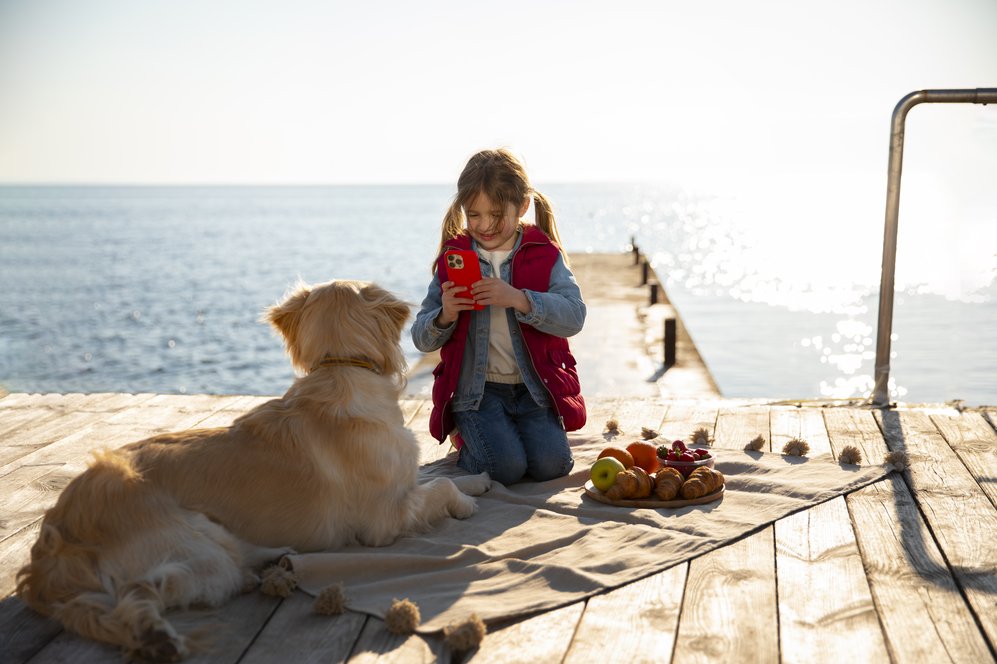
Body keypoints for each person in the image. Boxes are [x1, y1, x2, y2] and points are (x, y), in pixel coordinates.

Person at [412, 149, 587, 485]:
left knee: (552, 466)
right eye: (474, 215)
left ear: (522, 206)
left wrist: (521, 300)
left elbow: (574, 316)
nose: (485, 225)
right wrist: (445, 315)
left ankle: (509, 434)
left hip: (534, 390)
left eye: (496, 213)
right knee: (505, 469)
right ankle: (464, 436)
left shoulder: (544, 253)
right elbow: (421, 337)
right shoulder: (455, 257)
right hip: (478, 394)